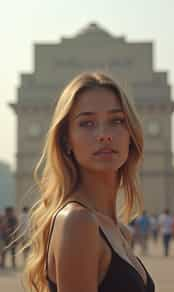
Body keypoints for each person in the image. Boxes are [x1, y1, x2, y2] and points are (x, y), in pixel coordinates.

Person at [21, 72, 155, 292]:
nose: (103, 135)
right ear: (66, 141)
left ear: (130, 134)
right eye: (87, 123)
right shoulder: (78, 222)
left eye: (117, 120)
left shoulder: (118, 230)